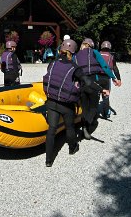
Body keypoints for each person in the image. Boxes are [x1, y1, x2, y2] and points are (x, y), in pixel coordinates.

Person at [43, 39, 83, 167]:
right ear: (73, 51)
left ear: (61, 49)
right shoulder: (75, 67)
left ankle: (48, 160)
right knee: (70, 127)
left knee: (51, 130)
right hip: (66, 105)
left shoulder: (52, 63)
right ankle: (72, 148)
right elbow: (84, 81)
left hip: (51, 101)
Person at [74, 38, 117, 140]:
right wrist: (113, 77)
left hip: (82, 84)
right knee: (93, 107)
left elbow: (73, 70)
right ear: (91, 45)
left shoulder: (76, 56)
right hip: (93, 83)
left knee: (84, 108)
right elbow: (105, 67)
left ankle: (83, 125)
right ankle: (86, 128)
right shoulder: (95, 53)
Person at [99, 41, 122, 119]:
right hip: (106, 78)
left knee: (95, 95)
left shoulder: (97, 54)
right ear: (109, 47)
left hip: (97, 77)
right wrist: (118, 79)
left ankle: (94, 113)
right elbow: (115, 69)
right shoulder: (111, 57)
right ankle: (106, 114)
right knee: (105, 96)